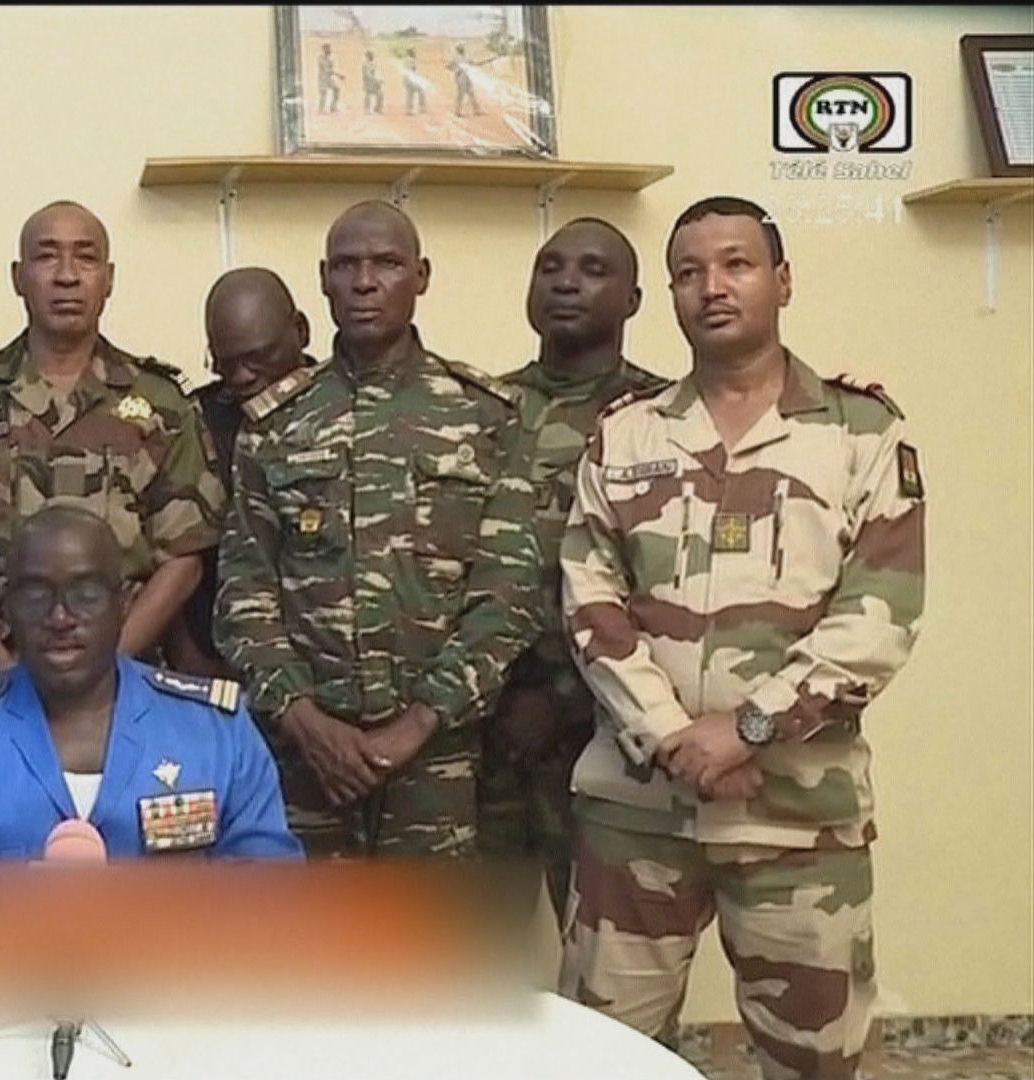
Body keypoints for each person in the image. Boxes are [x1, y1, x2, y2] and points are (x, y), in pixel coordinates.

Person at [558, 196, 925, 1080]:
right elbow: (588, 596)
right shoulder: (626, 432)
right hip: (638, 812)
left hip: (798, 815)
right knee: (599, 1061)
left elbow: (880, 612)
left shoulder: (861, 432)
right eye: (688, 273)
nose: (711, 288)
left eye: (736, 264)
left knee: (816, 1064)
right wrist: (671, 736)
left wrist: (749, 727)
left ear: (782, 281)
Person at [216, 200, 541, 860]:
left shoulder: (485, 416)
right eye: (346, 266)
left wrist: (416, 725)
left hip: (437, 760)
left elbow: (509, 593)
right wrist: (307, 723)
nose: (364, 282)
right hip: (304, 759)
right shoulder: (275, 424)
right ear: (323, 280)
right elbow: (244, 594)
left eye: (387, 264)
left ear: (421, 276)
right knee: (302, 926)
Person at [0, 506, 302, 860]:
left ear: (123, 603)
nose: (60, 618)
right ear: (8, 607)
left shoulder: (215, 733)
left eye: (86, 594)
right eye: (36, 594)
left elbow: (269, 902)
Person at [0, 200, 223, 685]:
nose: (67, 276)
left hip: (125, 680)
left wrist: (107, 668)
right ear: (18, 277)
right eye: (47, 257)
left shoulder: (162, 403)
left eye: (86, 258)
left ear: (108, 279)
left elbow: (184, 557)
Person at [475, 218, 668, 925]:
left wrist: (558, 697)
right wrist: (501, 695)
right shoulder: (481, 409)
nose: (566, 283)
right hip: (484, 727)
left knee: (608, 950)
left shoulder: (664, 418)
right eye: (550, 267)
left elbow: (668, 583)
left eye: (592, 269)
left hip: (606, 733)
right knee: (468, 948)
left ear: (634, 299)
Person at [165, 267, 316, 681]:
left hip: (325, 668)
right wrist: (189, 660)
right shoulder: (194, 420)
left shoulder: (343, 408)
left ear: (301, 331)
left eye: (259, 358)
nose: (243, 377)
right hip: (215, 664)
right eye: (225, 364)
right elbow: (169, 551)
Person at [317, 42, 343, 115]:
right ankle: (321, 110)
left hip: (329, 77)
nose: (329, 50)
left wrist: (337, 75)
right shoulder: (320, 58)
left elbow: (332, 69)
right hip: (322, 78)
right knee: (324, 93)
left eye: (329, 48)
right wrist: (339, 75)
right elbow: (327, 70)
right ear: (324, 49)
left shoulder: (332, 57)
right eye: (327, 49)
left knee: (337, 89)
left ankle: (333, 107)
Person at [401, 51, 428, 115]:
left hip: (406, 80)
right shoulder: (411, 61)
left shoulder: (405, 60)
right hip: (410, 80)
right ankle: (422, 108)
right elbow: (413, 72)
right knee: (421, 90)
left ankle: (408, 109)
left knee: (409, 94)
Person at [361, 48, 385, 114]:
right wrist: (377, 79)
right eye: (371, 55)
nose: (372, 56)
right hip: (367, 82)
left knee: (381, 93)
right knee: (367, 96)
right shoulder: (365, 63)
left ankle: (378, 108)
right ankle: (366, 109)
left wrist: (380, 78)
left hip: (375, 82)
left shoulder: (374, 62)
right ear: (368, 56)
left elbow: (376, 72)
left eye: (373, 55)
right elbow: (367, 74)